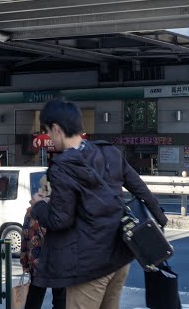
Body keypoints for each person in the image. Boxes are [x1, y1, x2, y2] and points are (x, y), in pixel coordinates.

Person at [31, 99, 167, 309]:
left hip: (89, 266)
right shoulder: (109, 152)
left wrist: (38, 205)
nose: (49, 136)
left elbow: (60, 219)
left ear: (56, 128)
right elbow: (141, 189)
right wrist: (160, 220)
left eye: (48, 131)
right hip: (120, 259)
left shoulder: (63, 167)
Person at [20, 178, 66, 309]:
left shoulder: (31, 210)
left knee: (34, 298)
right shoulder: (61, 210)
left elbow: (25, 236)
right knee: (60, 299)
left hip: (37, 264)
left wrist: (24, 262)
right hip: (59, 263)